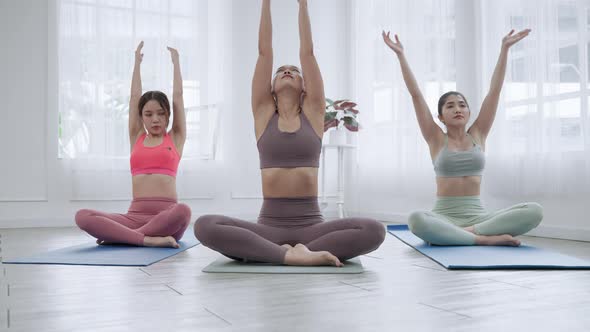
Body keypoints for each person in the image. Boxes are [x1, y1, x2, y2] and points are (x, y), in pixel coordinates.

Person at [194, 0, 385, 266]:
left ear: (305, 86)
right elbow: (264, 53)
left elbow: (307, 54)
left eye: (294, 72)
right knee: (205, 225)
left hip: (311, 226)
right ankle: (290, 255)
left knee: (375, 230)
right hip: (269, 227)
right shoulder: (263, 114)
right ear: (270, 87)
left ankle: (283, 253)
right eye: (281, 71)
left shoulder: (314, 113)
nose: (287, 71)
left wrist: (303, 6)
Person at [382, 29, 543, 246]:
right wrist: (401, 55)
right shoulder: (435, 138)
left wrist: (504, 49)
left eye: (462, 105)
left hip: (479, 217)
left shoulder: (479, 133)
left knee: (534, 211)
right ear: (440, 116)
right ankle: (482, 239)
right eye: (450, 106)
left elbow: (494, 92)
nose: (457, 109)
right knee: (416, 220)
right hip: (444, 217)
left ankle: (464, 234)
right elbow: (416, 94)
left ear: (468, 112)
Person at [75, 42, 191, 248]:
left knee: (184, 211)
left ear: (168, 116)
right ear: (141, 117)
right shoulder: (136, 135)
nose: (155, 119)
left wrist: (176, 63)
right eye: (148, 114)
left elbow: (178, 98)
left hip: (167, 218)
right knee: (82, 216)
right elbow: (134, 98)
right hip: (134, 216)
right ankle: (144, 239)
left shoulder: (175, 137)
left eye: (161, 114)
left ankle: (124, 237)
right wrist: (136, 63)